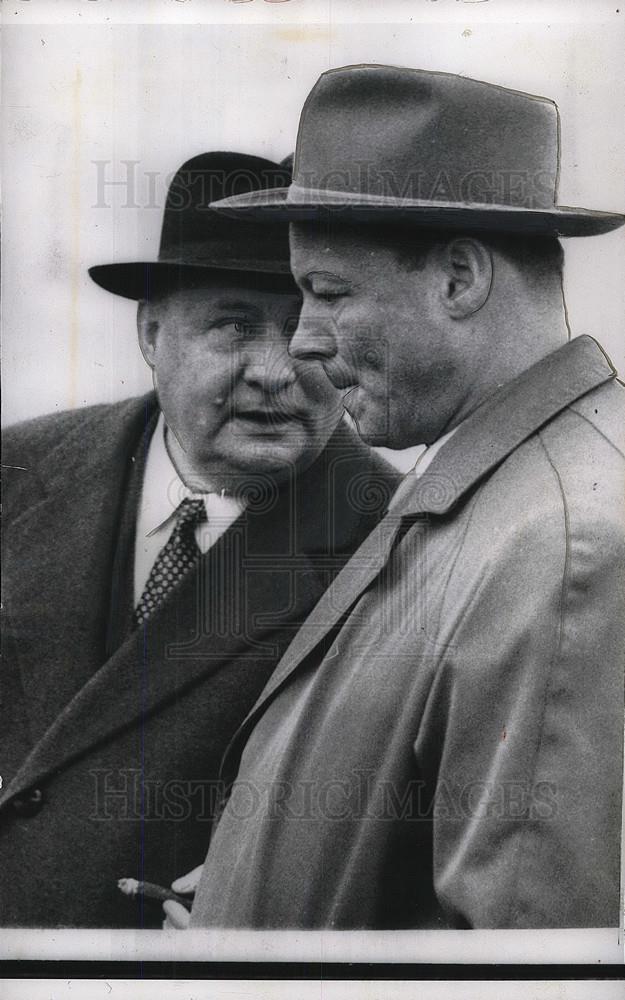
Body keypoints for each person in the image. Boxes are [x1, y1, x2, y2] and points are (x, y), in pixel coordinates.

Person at [183, 67, 625, 929]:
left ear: (459, 278)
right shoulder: (500, 481)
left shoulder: (566, 547)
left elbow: (531, 971)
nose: (305, 342)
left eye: (328, 293)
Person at [0, 150, 399, 928]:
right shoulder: (18, 473)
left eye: (303, 326)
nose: (276, 371)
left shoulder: (401, 537)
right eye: (232, 325)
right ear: (151, 333)